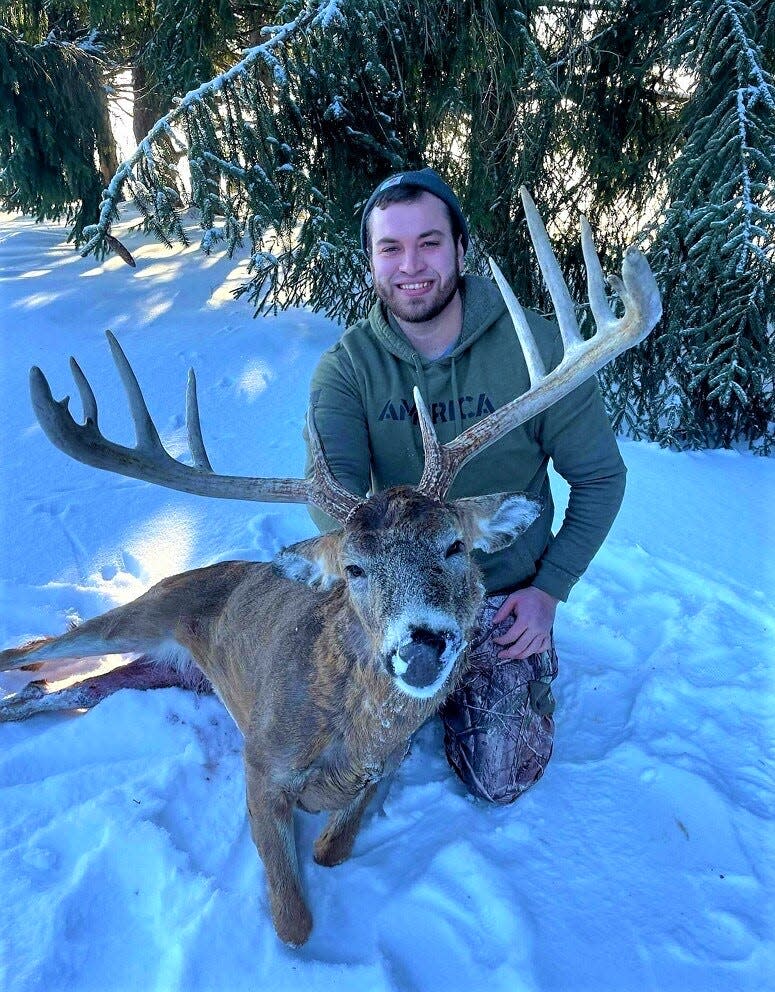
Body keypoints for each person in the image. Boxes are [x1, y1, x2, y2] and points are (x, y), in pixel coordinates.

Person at [305, 168, 626, 804]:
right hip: (395, 601)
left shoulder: (536, 347)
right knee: (314, 747)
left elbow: (600, 479)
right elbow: (332, 505)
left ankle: (472, 689)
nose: (410, 266)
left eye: (429, 242)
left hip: (505, 600)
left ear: (460, 247)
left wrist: (548, 592)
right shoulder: (346, 371)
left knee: (499, 776)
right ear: (370, 261)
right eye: (389, 248)